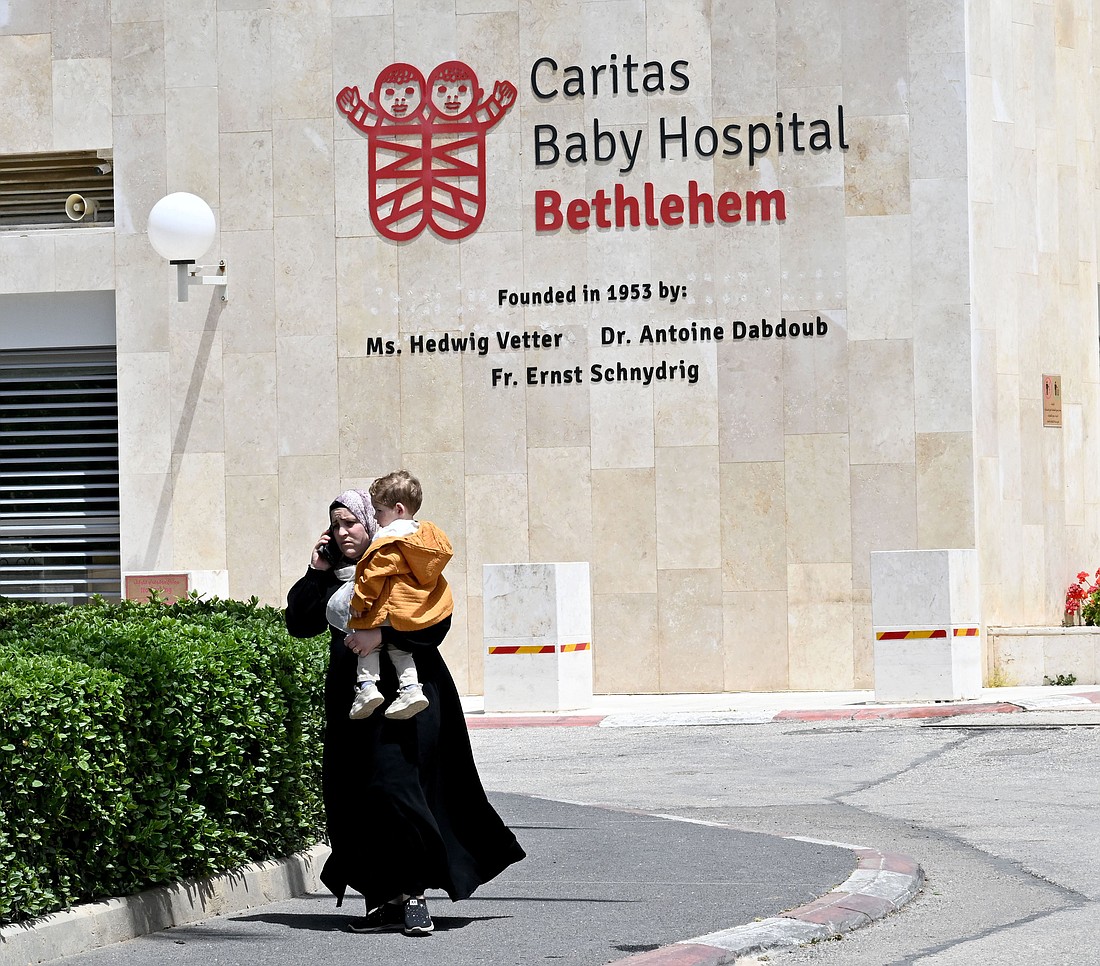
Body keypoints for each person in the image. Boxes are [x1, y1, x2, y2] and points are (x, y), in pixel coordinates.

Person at [285, 486, 525, 937]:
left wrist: (383, 638)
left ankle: (414, 894)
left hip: (411, 700)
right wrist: (315, 570)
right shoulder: (336, 574)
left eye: (350, 523)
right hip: (355, 704)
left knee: (400, 789)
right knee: (359, 796)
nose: (342, 533)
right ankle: (384, 899)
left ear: (372, 523)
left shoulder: (402, 561)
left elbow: (436, 621)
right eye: (335, 526)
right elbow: (300, 622)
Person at [343, 470, 452, 722]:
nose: (376, 517)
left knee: (366, 646)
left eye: (379, 510)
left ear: (398, 509)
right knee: (401, 652)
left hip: (388, 608)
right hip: (411, 613)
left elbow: (373, 575)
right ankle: (411, 689)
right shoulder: (423, 539)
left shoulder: (388, 539)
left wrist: (360, 602)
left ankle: (367, 687)